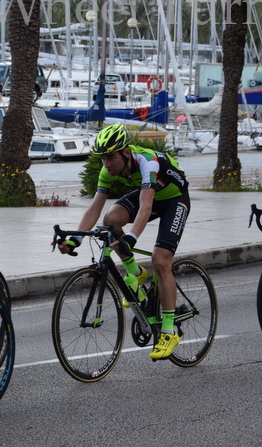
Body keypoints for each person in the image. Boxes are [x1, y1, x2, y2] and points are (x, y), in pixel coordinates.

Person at [57, 123, 190, 360]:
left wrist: (131, 237)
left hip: (174, 199)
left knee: (160, 261)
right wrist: (76, 239)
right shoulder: (107, 170)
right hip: (150, 196)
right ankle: (135, 272)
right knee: (110, 220)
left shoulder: (147, 162)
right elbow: (94, 209)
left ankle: (169, 331)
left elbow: (146, 207)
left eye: (110, 157)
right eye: (102, 159)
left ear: (126, 153)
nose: (106, 164)